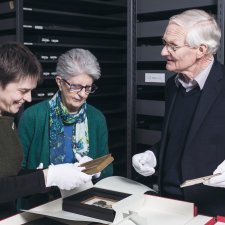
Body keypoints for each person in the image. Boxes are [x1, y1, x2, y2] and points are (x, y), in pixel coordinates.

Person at [132, 9, 225, 216]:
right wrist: (153, 155)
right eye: (165, 43)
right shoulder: (173, 85)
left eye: (172, 46)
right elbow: (179, 138)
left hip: (211, 209)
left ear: (201, 50)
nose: (163, 52)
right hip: (168, 203)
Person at [0, 43, 92, 219]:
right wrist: (47, 177)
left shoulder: (6, 119)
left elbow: (8, 176)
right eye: (23, 91)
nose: (28, 98)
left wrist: (52, 175)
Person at [18, 48, 113, 208]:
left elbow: (108, 168)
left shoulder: (96, 118)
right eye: (75, 86)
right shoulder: (33, 116)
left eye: (88, 88)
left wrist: (97, 171)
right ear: (59, 82)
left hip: (83, 203)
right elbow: (16, 174)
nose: (82, 94)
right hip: (40, 205)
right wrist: (40, 176)